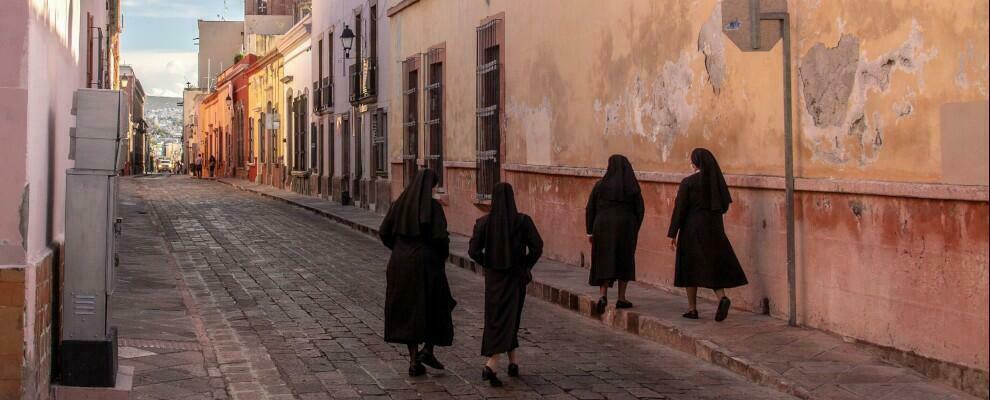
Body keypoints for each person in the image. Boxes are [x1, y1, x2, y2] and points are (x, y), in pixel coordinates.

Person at [378, 169, 456, 377]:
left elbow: (384, 232)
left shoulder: (399, 204)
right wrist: (439, 256)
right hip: (427, 264)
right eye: (432, 187)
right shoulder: (433, 208)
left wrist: (399, 249)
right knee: (435, 305)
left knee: (407, 310)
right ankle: (428, 350)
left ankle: (413, 361)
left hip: (400, 263)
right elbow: (442, 239)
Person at [469, 183, 543, 387]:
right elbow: (538, 246)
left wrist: (489, 264)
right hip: (515, 278)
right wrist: (525, 265)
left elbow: (473, 251)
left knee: (497, 318)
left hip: (493, 280)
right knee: (511, 317)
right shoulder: (523, 222)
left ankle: (513, 362)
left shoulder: (483, 223)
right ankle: (491, 364)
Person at [667, 148, 748, 322]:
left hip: (692, 229)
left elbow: (680, 209)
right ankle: (722, 298)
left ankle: (692, 309)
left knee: (689, 267)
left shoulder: (688, 183)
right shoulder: (716, 183)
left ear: (695, 163)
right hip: (714, 228)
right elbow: (725, 205)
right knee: (712, 266)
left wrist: (673, 233)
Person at [586, 155, 645, 313]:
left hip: (602, 227)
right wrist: (634, 227)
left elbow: (590, 208)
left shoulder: (600, 185)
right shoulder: (632, 187)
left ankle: (603, 296)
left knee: (603, 260)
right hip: (626, 228)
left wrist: (589, 231)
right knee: (624, 261)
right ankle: (621, 298)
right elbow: (640, 209)